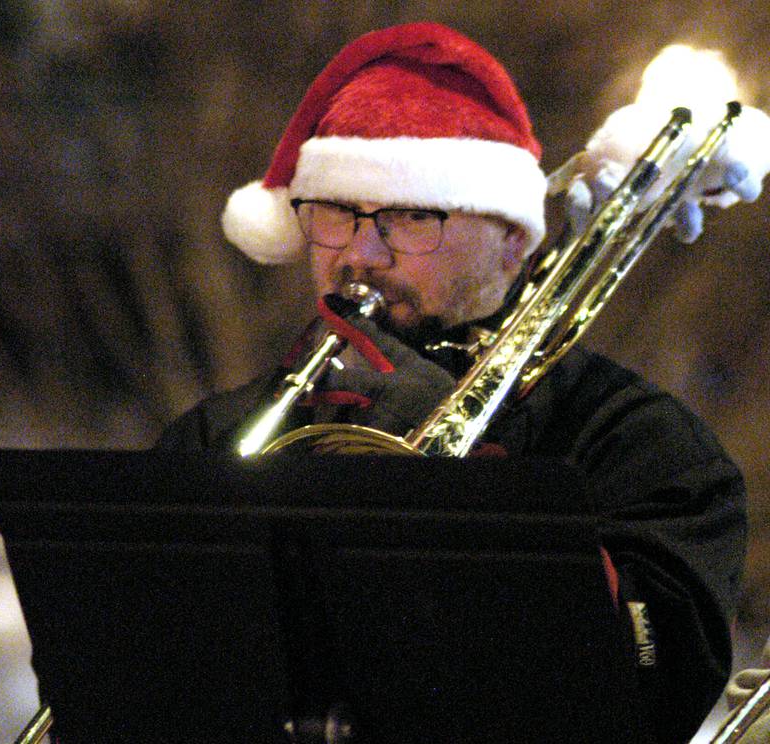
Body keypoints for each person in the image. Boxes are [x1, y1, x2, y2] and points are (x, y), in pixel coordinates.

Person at [157, 22, 768, 742]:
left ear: (513, 241)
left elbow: (654, 698)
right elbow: (110, 674)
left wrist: (465, 496)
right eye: (334, 214)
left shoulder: (641, 442)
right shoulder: (216, 436)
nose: (360, 253)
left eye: (412, 216)